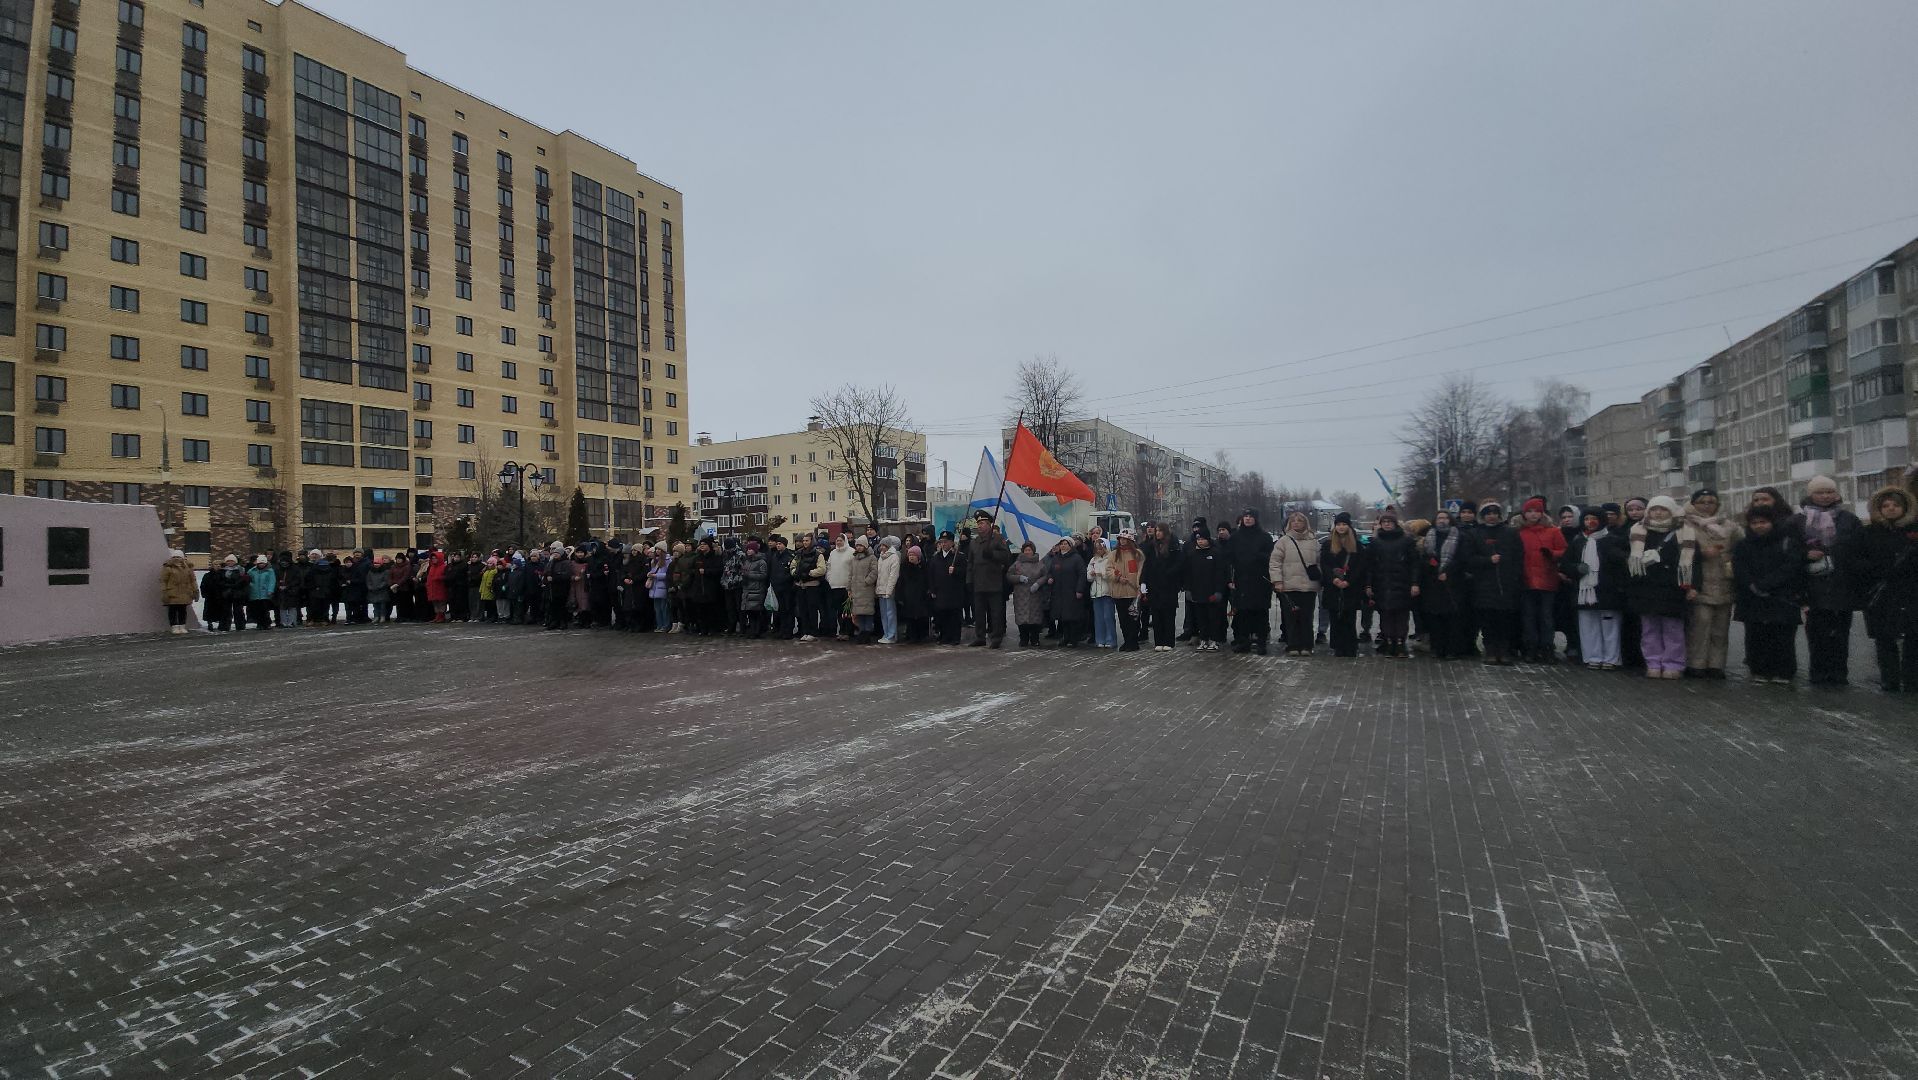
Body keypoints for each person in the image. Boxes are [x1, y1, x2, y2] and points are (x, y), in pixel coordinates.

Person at [1795, 476, 1864, 687]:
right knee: (1817, 633)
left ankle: (1839, 673)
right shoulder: (1798, 520)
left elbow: (1860, 549)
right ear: (1810, 495)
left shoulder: (1848, 519)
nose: (1825, 496)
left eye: (1829, 492)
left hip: (1842, 584)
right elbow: (1789, 550)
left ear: (1836, 494)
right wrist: (1805, 554)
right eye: (1819, 492)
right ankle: (1819, 673)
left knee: (1841, 633)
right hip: (1812, 585)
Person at [1733, 503, 1806, 685]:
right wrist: (1752, 585)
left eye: (1763, 522)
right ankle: (1759, 669)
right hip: (1753, 598)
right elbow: (1739, 568)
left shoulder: (1786, 541)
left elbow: (1791, 566)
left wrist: (1768, 584)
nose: (1759, 526)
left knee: (1782, 636)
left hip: (1782, 597)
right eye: (1754, 522)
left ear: (1772, 522)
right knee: (1756, 635)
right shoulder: (1743, 544)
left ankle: (1783, 671)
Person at [1855, 486, 1918, 692]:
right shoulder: (1869, 532)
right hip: (1881, 593)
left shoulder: (1914, 531)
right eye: (1885, 506)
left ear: (1905, 507)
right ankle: (1889, 679)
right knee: (1884, 638)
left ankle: (1912, 680)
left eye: (1896, 505)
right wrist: (1876, 571)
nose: (1890, 509)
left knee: (1913, 638)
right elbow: (1858, 560)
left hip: (1911, 591)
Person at [1679, 488, 1739, 679]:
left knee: (1721, 629)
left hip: (1724, 581)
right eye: (1702, 502)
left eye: (1711, 502)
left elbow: (1742, 547)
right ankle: (1696, 664)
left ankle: (1716, 664)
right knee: (1700, 626)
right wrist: (1702, 553)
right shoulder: (1685, 525)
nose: (1706, 506)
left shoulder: (1730, 526)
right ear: (1693, 504)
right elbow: (1679, 553)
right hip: (1699, 581)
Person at [1627, 496, 1689, 679]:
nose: (1658, 513)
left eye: (1663, 509)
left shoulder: (1683, 531)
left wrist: (1692, 585)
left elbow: (1693, 559)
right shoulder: (1638, 531)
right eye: (1655, 509)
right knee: (1649, 629)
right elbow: (1630, 557)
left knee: (1673, 629)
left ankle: (1673, 663)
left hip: (1672, 586)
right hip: (1646, 586)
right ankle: (1653, 662)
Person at [1561, 507, 1627, 670]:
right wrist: (1577, 569)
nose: (1590, 522)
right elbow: (1565, 564)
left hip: (1607, 591)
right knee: (1588, 626)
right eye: (1586, 519)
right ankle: (1592, 656)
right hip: (1584, 592)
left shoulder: (1612, 539)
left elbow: (1622, 564)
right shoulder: (1578, 541)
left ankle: (1611, 658)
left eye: (1594, 518)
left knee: (1609, 626)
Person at [1464, 502, 1524, 665]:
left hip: (1506, 584)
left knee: (1505, 620)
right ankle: (1490, 649)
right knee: (1487, 620)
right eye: (1488, 513)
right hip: (1484, 584)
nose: (1492, 516)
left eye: (1495, 513)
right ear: (1483, 516)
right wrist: (1487, 560)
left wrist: (1515, 576)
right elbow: (1469, 559)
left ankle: (1504, 651)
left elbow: (1519, 556)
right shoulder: (1475, 534)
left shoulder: (1510, 533)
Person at [1515, 497, 1568, 663]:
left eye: (1536, 511)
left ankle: (1547, 648)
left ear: (1542, 513)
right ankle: (1530, 648)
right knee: (1528, 616)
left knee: (1546, 617)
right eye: (1529, 511)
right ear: (1524, 514)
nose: (1533, 515)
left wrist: (1552, 554)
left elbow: (1564, 550)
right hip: (1526, 579)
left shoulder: (1553, 531)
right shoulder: (1519, 532)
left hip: (1547, 578)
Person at [1363, 512, 1417, 658]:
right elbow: (1369, 566)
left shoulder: (1406, 541)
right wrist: (1368, 584)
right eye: (1384, 522)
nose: (1387, 524)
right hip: (1382, 584)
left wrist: (1414, 583)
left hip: (1402, 584)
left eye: (1389, 521)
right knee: (1385, 615)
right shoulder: (1375, 543)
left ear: (1395, 523)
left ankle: (1400, 643)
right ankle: (1388, 642)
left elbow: (1414, 564)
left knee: (1401, 615)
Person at [1270, 512, 1321, 657]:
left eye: (1300, 521)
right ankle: (1292, 645)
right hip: (1289, 586)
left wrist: (1320, 577)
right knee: (1291, 618)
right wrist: (1277, 581)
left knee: (1306, 617)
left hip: (1308, 587)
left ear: (1305, 523)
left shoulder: (1313, 541)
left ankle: (1307, 645)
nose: (1296, 523)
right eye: (1293, 521)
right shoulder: (1283, 541)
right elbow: (1275, 563)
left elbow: (1320, 562)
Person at [1224, 510, 1275, 654]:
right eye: (1245, 516)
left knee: (1261, 612)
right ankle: (1243, 642)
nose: (1247, 519)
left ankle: (1261, 642)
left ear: (1256, 519)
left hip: (1260, 580)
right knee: (1243, 613)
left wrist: (1256, 555)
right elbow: (1229, 556)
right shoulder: (1236, 537)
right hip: (1242, 579)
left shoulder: (1264, 537)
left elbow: (1270, 556)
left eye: (1251, 516)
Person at [1417, 510, 1463, 660]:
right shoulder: (1429, 537)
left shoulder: (1458, 535)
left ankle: (1451, 649)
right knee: (1434, 619)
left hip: (1451, 583)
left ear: (1450, 520)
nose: (1442, 520)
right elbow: (1423, 558)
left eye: (1445, 517)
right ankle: (1437, 648)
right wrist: (1431, 566)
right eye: (1439, 518)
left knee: (1451, 618)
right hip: (1432, 582)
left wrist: (1448, 572)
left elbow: (1462, 558)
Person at [967, 513, 1014, 648]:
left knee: (995, 613)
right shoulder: (974, 542)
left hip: (993, 582)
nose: (979, 526)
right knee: (979, 612)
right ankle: (980, 637)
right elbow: (970, 563)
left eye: (982, 523)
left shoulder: (997, 538)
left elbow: (1006, 557)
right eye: (978, 523)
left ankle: (996, 637)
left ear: (989, 525)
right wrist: (969, 580)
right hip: (978, 582)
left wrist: (993, 554)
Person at [1184, 530, 1229, 651]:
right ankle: (1203, 639)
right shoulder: (1192, 555)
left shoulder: (1215, 553)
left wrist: (1219, 591)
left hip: (1212, 593)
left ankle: (1214, 640)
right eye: (1198, 540)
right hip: (1198, 593)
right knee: (1201, 618)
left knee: (1213, 618)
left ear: (1208, 540)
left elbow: (1221, 574)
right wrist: (1188, 590)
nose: (1200, 541)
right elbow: (1188, 574)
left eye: (1202, 539)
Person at [1142, 523, 1183, 652]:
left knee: (1168, 614)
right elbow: (1146, 565)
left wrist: (1169, 574)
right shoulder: (1151, 546)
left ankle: (1169, 641)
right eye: (1156, 531)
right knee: (1156, 615)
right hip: (1154, 585)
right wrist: (1143, 582)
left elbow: (1179, 563)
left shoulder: (1173, 545)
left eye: (1160, 531)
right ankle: (1158, 641)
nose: (1157, 533)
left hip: (1169, 585)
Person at [1106, 530, 1143, 652]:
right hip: (1119, 591)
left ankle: (1133, 641)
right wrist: (1117, 577)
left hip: (1133, 592)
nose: (1122, 540)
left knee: (1133, 618)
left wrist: (1138, 585)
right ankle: (1127, 641)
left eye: (1125, 538)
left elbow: (1140, 571)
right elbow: (1109, 570)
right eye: (1121, 538)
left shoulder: (1137, 554)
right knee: (1123, 618)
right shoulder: (1113, 554)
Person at [929, 532, 969, 645]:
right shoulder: (936, 558)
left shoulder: (959, 556)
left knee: (954, 616)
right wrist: (932, 589)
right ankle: (944, 636)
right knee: (942, 615)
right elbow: (931, 575)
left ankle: (955, 637)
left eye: (946, 542)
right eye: (941, 542)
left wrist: (955, 571)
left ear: (952, 542)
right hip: (940, 592)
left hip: (954, 592)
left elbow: (965, 572)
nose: (943, 544)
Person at [1008, 541, 1048, 647]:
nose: (1027, 552)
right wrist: (1019, 578)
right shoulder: (1017, 563)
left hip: (1035, 595)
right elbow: (1009, 575)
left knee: (1035, 618)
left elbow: (1045, 576)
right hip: (1021, 595)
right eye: (1025, 550)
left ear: (1033, 551)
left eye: (1029, 550)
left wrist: (1037, 584)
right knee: (1022, 618)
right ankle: (1023, 639)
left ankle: (1035, 639)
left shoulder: (1039, 563)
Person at [793, 534, 829, 642]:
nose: (804, 543)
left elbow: (822, 569)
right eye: (803, 541)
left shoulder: (818, 554)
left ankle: (813, 632)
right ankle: (805, 631)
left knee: (812, 610)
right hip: (800, 585)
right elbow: (793, 565)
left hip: (812, 585)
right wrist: (795, 573)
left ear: (812, 541)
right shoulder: (799, 554)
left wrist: (809, 573)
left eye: (807, 541)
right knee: (803, 610)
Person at [846, 536, 880, 643]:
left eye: (861, 545)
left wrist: (867, 581)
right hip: (856, 590)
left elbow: (874, 572)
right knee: (859, 613)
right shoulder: (854, 559)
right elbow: (850, 574)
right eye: (857, 545)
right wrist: (849, 588)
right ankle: (861, 631)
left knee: (867, 613)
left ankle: (867, 633)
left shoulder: (872, 558)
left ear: (865, 546)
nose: (859, 547)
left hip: (866, 589)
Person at [897, 544, 931, 643]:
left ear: (918, 556)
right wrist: (900, 596)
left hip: (921, 596)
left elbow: (927, 581)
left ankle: (922, 635)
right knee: (910, 618)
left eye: (913, 555)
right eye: (909, 555)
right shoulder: (904, 567)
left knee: (921, 617)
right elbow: (901, 582)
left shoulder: (924, 567)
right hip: (908, 597)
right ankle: (912, 636)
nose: (911, 556)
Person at [1086, 538, 1117, 649]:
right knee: (1098, 618)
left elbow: (1112, 573)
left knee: (1108, 617)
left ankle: (1111, 639)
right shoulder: (1093, 560)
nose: (1099, 550)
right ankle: (1100, 639)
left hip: (1107, 591)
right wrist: (1092, 574)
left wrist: (1101, 574)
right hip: (1095, 592)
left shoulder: (1110, 559)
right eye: (1097, 548)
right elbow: (1088, 576)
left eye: (1101, 548)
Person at [738, 538, 771, 639]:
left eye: (750, 549)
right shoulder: (747, 561)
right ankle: (752, 631)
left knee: (757, 612)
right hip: (747, 589)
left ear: (755, 550)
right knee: (750, 612)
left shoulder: (761, 562)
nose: (748, 551)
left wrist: (749, 574)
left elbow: (763, 575)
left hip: (757, 590)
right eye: (747, 549)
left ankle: (757, 631)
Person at [766, 535, 797, 639]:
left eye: (780, 544)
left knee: (789, 609)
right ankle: (782, 630)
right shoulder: (774, 556)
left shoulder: (790, 555)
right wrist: (773, 582)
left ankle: (789, 630)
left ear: (785, 545)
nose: (778, 546)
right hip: (777, 587)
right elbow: (771, 571)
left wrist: (787, 581)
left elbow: (792, 572)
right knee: (781, 609)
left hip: (787, 588)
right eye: (777, 544)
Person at [160, 550, 198, 634]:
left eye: (178, 557)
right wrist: (164, 591)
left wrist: (195, 590)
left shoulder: (188, 567)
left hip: (185, 592)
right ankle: (174, 626)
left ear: (182, 558)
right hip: (172, 593)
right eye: (174, 557)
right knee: (173, 610)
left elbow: (192, 580)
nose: (176, 559)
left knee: (182, 610)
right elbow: (163, 581)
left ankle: (182, 626)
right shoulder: (168, 567)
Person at [874, 536, 902, 644]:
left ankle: (891, 635)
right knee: (884, 614)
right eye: (881, 545)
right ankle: (886, 634)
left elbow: (893, 576)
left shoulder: (894, 557)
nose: (882, 547)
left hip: (889, 590)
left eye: (884, 545)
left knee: (890, 613)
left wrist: (889, 590)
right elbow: (880, 575)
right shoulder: (881, 557)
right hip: (881, 589)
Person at [212, 555, 249, 632]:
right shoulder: (222, 571)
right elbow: (219, 582)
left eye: (232, 561)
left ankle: (240, 626)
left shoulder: (241, 570)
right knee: (225, 611)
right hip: (226, 593)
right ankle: (224, 626)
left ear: (235, 562)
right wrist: (227, 585)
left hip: (237, 593)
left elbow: (244, 581)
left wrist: (236, 585)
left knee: (238, 610)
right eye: (228, 561)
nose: (230, 562)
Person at [306, 549, 338, 626]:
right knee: (322, 606)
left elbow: (309, 578)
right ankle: (322, 619)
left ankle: (314, 619)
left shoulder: (313, 568)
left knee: (316, 605)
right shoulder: (329, 568)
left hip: (317, 589)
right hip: (324, 589)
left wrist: (313, 586)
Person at [647, 546, 674, 633]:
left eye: (659, 549)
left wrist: (656, 576)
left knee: (664, 608)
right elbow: (653, 571)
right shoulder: (655, 561)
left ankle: (665, 625)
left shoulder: (667, 561)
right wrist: (650, 574)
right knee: (657, 608)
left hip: (662, 586)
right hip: (655, 587)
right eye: (656, 549)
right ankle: (659, 625)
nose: (657, 551)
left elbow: (668, 574)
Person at [274, 551, 302, 628]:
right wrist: (278, 586)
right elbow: (274, 579)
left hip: (292, 590)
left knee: (292, 607)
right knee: (282, 607)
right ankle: (283, 622)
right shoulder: (277, 569)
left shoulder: (295, 569)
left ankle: (292, 621)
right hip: (280, 591)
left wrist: (288, 586)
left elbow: (297, 580)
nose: (284, 563)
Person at [424, 549, 451, 623]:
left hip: (440, 588)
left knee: (441, 603)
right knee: (435, 603)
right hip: (432, 588)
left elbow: (447, 577)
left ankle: (441, 616)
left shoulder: (444, 566)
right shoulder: (431, 567)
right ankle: (437, 616)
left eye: (435, 558)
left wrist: (439, 578)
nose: (433, 560)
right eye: (432, 558)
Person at [367, 553, 393, 623]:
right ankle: (376, 616)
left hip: (382, 591)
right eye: (375, 563)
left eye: (378, 563)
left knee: (382, 605)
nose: (376, 564)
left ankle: (382, 616)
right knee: (375, 605)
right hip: (373, 591)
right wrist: (370, 587)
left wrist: (380, 587)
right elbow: (368, 580)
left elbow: (386, 581)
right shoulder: (370, 572)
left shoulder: (385, 571)